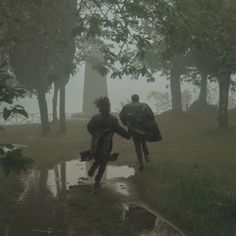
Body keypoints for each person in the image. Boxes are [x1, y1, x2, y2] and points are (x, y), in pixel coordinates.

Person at [87, 96, 130, 187]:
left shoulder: (95, 118)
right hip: (107, 143)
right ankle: (97, 179)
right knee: (103, 160)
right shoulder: (112, 119)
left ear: (99, 107)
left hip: (95, 142)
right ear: (108, 107)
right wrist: (127, 135)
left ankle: (94, 167)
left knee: (98, 157)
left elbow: (89, 128)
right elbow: (118, 130)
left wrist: (95, 134)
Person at [119, 94, 162, 171]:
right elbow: (151, 115)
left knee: (137, 145)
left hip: (132, 129)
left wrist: (126, 123)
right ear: (138, 99)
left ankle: (141, 163)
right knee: (143, 141)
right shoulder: (144, 105)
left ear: (132, 99)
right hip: (143, 129)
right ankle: (146, 156)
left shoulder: (126, 107)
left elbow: (121, 115)